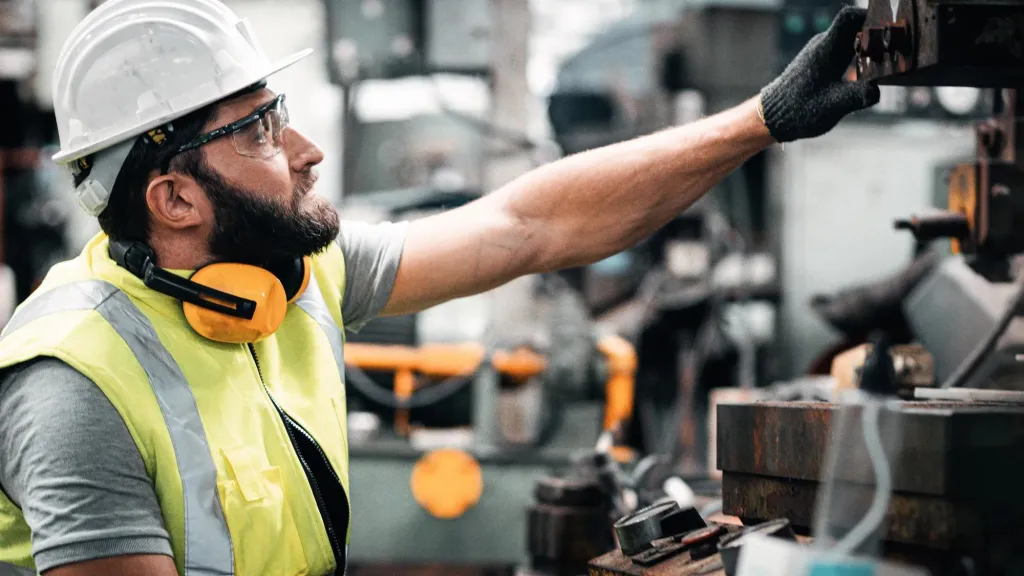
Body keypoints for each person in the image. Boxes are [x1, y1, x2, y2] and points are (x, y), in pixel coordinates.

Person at [0, 1, 879, 575]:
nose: (306, 151)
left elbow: (531, 225)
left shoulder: (291, 282)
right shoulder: (75, 386)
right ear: (177, 198)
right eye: (262, 132)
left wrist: (760, 121)